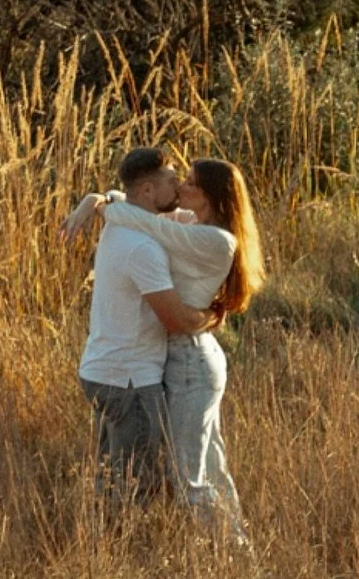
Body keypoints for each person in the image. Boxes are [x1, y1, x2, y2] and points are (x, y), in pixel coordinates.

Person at [63, 155, 265, 541]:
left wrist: (100, 205)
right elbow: (143, 210)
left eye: (189, 183)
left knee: (187, 477)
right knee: (209, 467)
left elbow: (148, 222)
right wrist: (98, 198)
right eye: (178, 180)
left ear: (210, 196)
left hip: (191, 358)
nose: (181, 187)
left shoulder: (216, 239)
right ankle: (237, 545)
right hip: (181, 356)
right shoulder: (191, 221)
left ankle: (232, 552)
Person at [68, 146, 217, 508]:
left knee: (111, 477)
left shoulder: (123, 223)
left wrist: (96, 198)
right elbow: (174, 321)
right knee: (136, 485)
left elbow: (121, 199)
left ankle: (102, 533)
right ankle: (124, 539)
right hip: (131, 380)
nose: (178, 187)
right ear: (148, 190)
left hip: (103, 370)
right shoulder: (142, 247)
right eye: (171, 181)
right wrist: (213, 315)